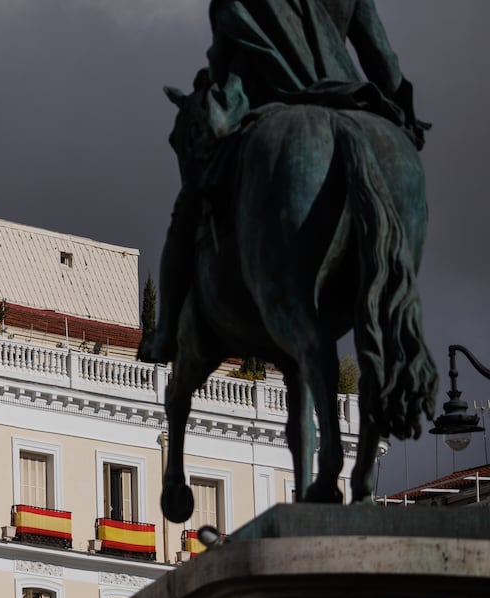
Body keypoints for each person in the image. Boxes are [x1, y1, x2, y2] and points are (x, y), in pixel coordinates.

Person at [138, 0, 426, 365]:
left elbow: (224, 57)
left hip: (269, 105)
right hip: (350, 97)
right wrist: (407, 118)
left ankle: (165, 335)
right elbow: (380, 53)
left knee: (187, 209)